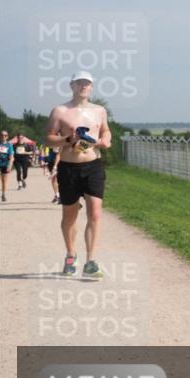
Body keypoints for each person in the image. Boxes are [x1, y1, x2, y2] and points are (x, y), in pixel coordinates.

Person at [44, 71, 111, 279]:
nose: (84, 86)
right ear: (71, 85)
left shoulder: (99, 110)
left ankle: (91, 261)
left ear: (92, 87)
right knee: (69, 215)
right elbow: (48, 139)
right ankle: (71, 256)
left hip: (93, 166)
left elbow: (106, 131)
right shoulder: (60, 110)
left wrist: (105, 140)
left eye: (87, 83)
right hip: (69, 168)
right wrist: (68, 140)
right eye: (79, 82)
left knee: (95, 212)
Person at [0, 131, 12, 202]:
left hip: (5, 164)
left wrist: (10, 165)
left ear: (7, 137)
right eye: (2, 135)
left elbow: (11, 156)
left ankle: (3, 194)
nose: (3, 136)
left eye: (5, 135)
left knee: (4, 181)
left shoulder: (9, 145)